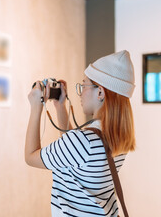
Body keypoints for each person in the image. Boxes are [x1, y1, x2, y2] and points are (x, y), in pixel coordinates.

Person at [25, 50, 136, 217]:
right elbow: (75, 155)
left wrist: (36, 107)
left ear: (100, 92)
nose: (81, 92)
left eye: (84, 85)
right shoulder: (119, 138)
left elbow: (30, 156)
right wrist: (60, 107)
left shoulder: (83, 142)